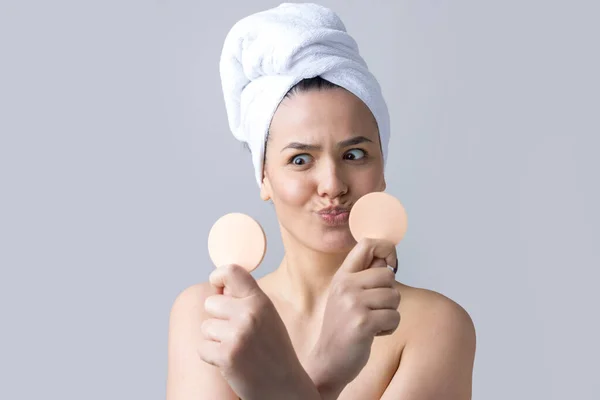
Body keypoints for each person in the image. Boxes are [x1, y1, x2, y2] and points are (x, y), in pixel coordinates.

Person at [167, 4, 476, 400]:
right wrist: (326, 371)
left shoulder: (437, 326)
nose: (332, 184)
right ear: (264, 176)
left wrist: (281, 382)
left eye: (355, 155)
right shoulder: (212, 315)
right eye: (300, 160)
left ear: (382, 168)